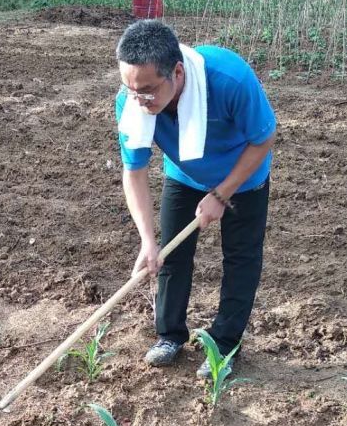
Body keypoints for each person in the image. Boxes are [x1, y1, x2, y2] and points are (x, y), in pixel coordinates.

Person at [115, 19, 276, 376]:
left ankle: (225, 345)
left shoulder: (229, 79)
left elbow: (263, 138)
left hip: (243, 176)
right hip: (184, 172)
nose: (139, 101)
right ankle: (169, 335)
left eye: (148, 91)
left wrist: (221, 194)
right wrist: (147, 240)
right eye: (130, 89)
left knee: (240, 260)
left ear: (177, 72)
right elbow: (134, 172)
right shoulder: (132, 100)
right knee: (171, 253)